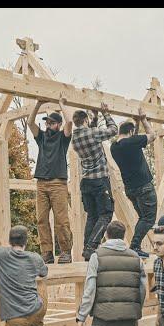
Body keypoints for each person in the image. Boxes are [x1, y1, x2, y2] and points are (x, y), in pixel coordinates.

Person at [76, 221, 147, 326]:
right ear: (123, 236)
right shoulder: (136, 258)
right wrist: (135, 312)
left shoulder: (97, 256)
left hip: (103, 317)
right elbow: (142, 290)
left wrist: (81, 316)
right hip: (128, 317)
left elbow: (89, 290)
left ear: (106, 235)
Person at [27, 97, 73, 264]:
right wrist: (38, 104)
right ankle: (47, 252)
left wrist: (62, 104)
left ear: (58, 125)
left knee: (61, 221)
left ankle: (66, 252)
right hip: (41, 183)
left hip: (58, 183)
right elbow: (30, 123)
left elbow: (69, 123)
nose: (48, 125)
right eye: (47, 123)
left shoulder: (63, 138)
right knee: (41, 219)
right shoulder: (42, 138)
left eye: (52, 123)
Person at [71, 103, 118, 260]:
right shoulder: (92, 134)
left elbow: (90, 133)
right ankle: (91, 247)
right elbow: (113, 130)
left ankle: (87, 248)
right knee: (106, 214)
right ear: (85, 121)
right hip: (99, 180)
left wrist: (95, 117)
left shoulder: (75, 138)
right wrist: (106, 113)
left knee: (92, 216)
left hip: (86, 183)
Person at [110, 106, 157, 258]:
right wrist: (143, 119)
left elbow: (134, 140)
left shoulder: (114, 147)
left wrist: (136, 124)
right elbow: (152, 135)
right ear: (130, 132)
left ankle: (135, 246)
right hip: (144, 186)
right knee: (148, 219)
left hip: (130, 189)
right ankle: (135, 246)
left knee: (143, 218)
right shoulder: (132, 142)